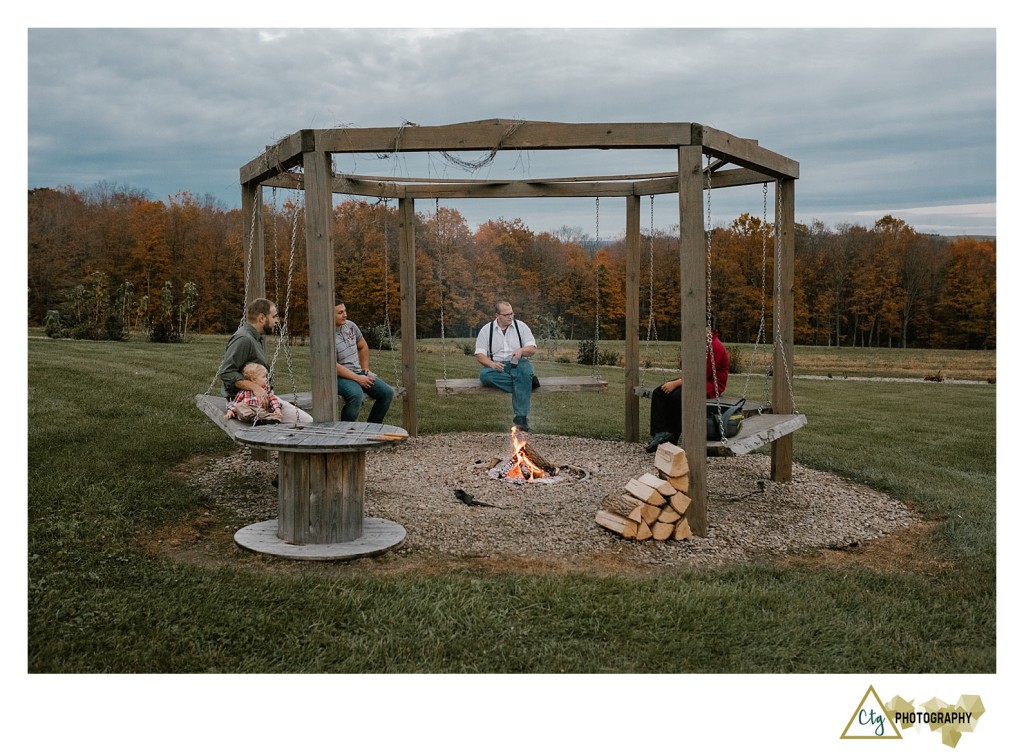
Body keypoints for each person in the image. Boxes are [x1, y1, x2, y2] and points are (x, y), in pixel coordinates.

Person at [219, 297, 312, 425]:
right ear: (261, 318)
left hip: (259, 398)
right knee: (307, 421)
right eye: (274, 317)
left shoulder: (255, 337)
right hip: (246, 402)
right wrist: (256, 388)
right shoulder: (243, 339)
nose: (277, 321)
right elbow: (226, 372)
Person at [646, 318, 730, 452]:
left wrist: (676, 383)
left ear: (708, 329)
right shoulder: (699, 343)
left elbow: (700, 375)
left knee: (678, 397)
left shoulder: (715, 346)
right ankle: (660, 433)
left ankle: (672, 437)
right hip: (692, 379)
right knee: (659, 392)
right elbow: (688, 369)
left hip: (710, 383)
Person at [475, 300, 537, 432]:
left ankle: (521, 418)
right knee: (485, 375)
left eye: (512, 313)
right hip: (499, 367)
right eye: (506, 314)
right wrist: (491, 364)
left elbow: (532, 348)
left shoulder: (521, 327)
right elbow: (479, 355)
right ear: (497, 315)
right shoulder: (486, 330)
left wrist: (521, 351)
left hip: (519, 363)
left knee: (524, 370)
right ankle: (527, 383)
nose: (510, 317)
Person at [334, 302, 395, 423]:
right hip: (338, 377)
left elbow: (362, 346)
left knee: (387, 393)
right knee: (357, 396)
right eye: (340, 313)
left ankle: (373, 427)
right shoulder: (325, 335)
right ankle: (347, 432)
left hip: (357, 372)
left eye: (345, 311)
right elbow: (332, 366)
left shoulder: (350, 326)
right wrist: (358, 378)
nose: (345, 315)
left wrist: (365, 368)